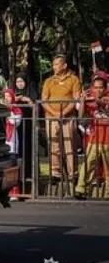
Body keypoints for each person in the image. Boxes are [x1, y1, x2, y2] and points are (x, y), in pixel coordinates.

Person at [41, 54, 82, 183]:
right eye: (53, 65)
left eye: (57, 64)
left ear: (64, 65)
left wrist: (63, 113)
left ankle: (72, 173)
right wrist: (54, 113)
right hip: (51, 117)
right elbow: (44, 100)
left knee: (70, 145)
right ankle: (55, 173)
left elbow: (76, 98)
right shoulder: (48, 81)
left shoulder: (74, 79)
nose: (54, 67)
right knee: (54, 145)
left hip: (68, 117)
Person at [75, 71, 109, 199]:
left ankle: (108, 193)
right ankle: (80, 189)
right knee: (88, 163)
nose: (98, 90)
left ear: (105, 87)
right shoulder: (91, 100)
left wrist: (102, 101)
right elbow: (81, 116)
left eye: (101, 87)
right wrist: (83, 101)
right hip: (95, 138)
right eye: (95, 87)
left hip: (108, 139)